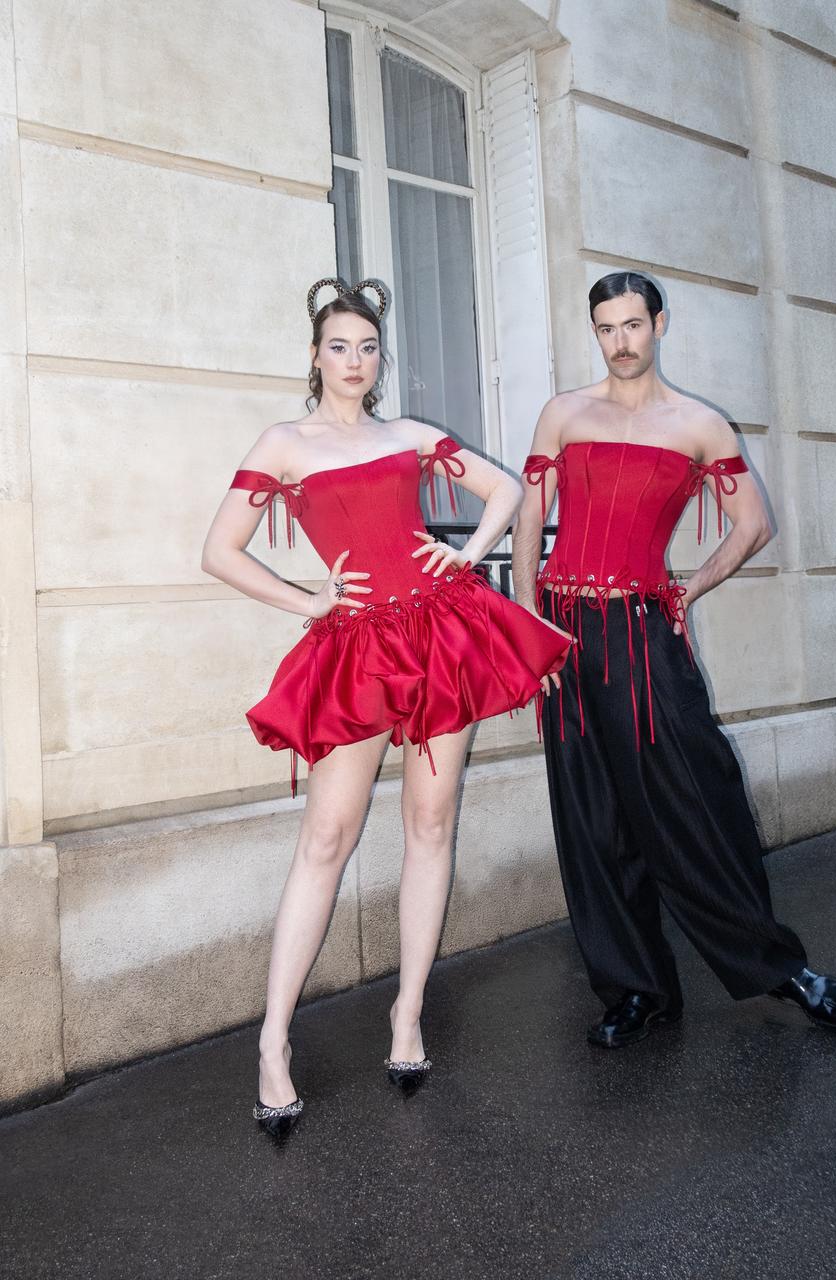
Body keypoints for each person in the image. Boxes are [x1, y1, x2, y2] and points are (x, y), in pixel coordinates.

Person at [202, 278, 570, 1133]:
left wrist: (468, 555)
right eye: (340, 346)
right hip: (357, 649)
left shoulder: (408, 435)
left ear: (380, 357)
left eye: (368, 348)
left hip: (441, 639)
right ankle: (273, 1043)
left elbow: (507, 489)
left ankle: (407, 1015)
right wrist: (311, 602)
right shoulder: (284, 443)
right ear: (314, 355)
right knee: (326, 837)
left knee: (430, 825)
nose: (356, 362)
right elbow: (220, 550)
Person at [511, 271, 836, 1050]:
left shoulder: (700, 425)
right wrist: (534, 632)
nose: (621, 342)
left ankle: (781, 969)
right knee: (592, 823)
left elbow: (753, 524)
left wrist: (687, 589)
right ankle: (636, 990)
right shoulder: (563, 415)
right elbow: (531, 518)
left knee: (695, 806)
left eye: (633, 325)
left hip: (643, 633)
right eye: (606, 328)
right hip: (566, 636)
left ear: (659, 324)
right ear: (595, 332)